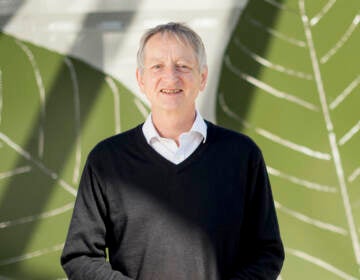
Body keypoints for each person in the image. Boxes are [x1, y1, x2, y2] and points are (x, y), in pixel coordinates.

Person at [61, 22, 284, 280]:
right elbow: (80, 256)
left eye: (183, 66)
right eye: (157, 66)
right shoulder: (107, 160)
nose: (171, 77)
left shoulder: (242, 156)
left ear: (202, 77)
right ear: (140, 79)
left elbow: (267, 252)